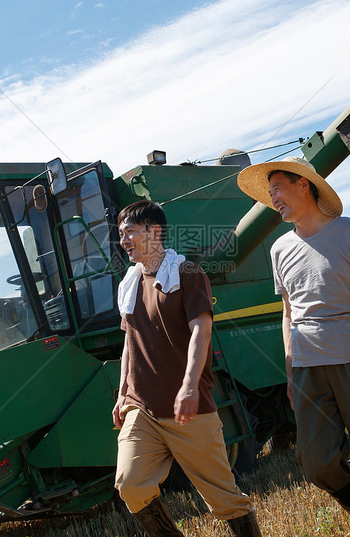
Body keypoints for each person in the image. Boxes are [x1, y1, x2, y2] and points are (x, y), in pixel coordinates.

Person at [237, 157, 350, 537]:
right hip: (305, 367)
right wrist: (290, 371)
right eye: (270, 195)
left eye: (278, 189)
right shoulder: (279, 249)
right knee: (316, 463)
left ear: (304, 185)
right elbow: (288, 314)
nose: (274, 199)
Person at [113, 200, 262, 537]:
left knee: (225, 499)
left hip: (187, 412)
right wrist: (123, 392)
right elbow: (129, 342)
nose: (123, 240)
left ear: (155, 231)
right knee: (129, 485)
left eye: (130, 232)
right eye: (120, 234)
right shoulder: (129, 284)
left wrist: (190, 385)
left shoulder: (188, 274)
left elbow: (201, 331)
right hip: (142, 407)